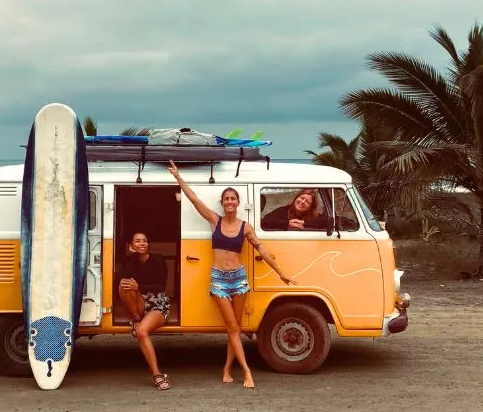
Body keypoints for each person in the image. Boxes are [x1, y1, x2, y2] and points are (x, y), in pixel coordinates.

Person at [167, 160, 296, 389]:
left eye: (233, 199)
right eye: (226, 199)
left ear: (237, 203)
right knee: (233, 328)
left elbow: (262, 249)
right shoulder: (214, 221)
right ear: (222, 203)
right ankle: (246, 372)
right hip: (219, 279)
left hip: (238, 278)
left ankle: (227, 368)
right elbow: (194, 199)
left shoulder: (245, 227)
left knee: (235, 327)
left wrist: (281, 273)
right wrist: (178, 178)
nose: (229, 202)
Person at [118, 232, 172, 391]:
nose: (141, 243)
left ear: (148, 244)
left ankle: (157, 375)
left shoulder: (158, 259)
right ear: (132, 245)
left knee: (142, 332)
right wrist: (132, 257)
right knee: (123, 285)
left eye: (144, 241)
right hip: (140, 302)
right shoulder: (131, 260)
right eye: (137, 241)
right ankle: (136, 318)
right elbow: (124, 278)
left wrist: (139, 287)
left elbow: (161, 286)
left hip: (158, 303)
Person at [260, 188, 328, 231]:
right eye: (302, 198)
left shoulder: (314, 215)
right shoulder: (283, 210)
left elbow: (332, 221)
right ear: (296, 198)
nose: (303, 202)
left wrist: (304, 222)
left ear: (310, 207)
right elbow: (265, 221)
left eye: (308, 202)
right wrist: (288, 223)